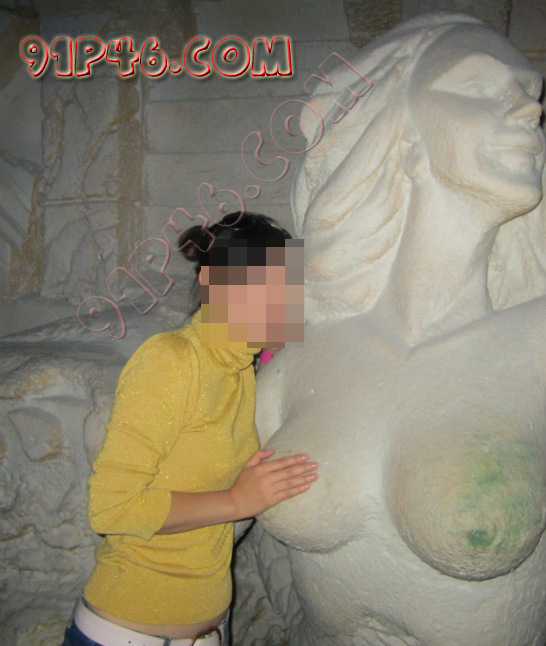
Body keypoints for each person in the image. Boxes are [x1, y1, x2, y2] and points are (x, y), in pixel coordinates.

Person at [235, 12, 546, 646]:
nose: (529, 109)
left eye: (531, 93)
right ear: (402, 138)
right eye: (478, 86)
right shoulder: (297, 355)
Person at [61, 211, 318, 646]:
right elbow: (111, 509)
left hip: (211, 626)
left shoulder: (240, 370)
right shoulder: (172, 359)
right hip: (126, 629)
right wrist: (236, 500)